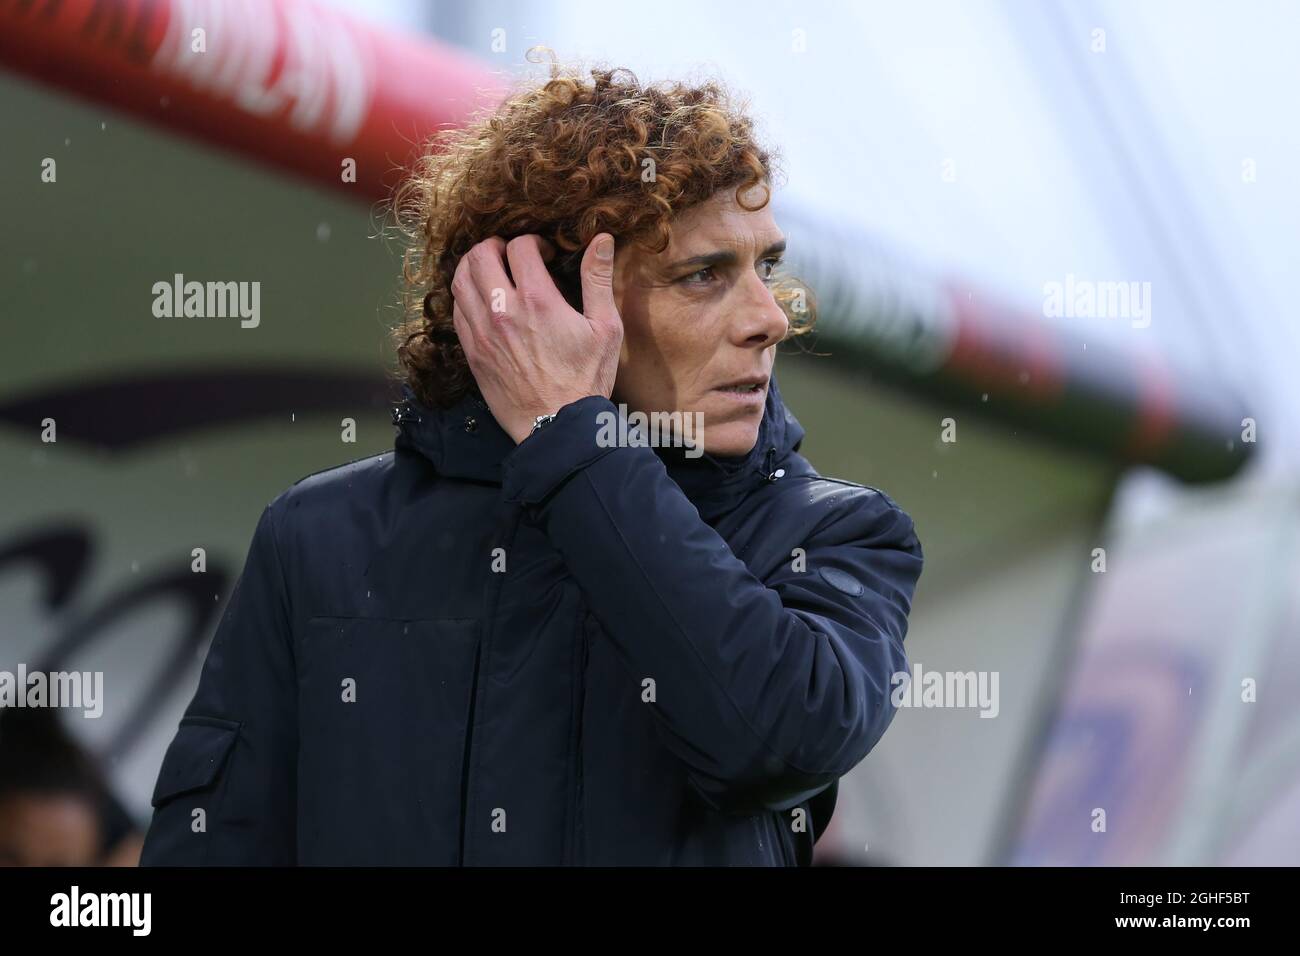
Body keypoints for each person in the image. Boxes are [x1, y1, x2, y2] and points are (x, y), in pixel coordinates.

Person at [139, 55, 924, 866]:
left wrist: (573, 440)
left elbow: (776, 740)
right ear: (542, 299)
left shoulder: (838, 532)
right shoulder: (319, 535)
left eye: (763, 268)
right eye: (703, 275)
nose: (771, 320)